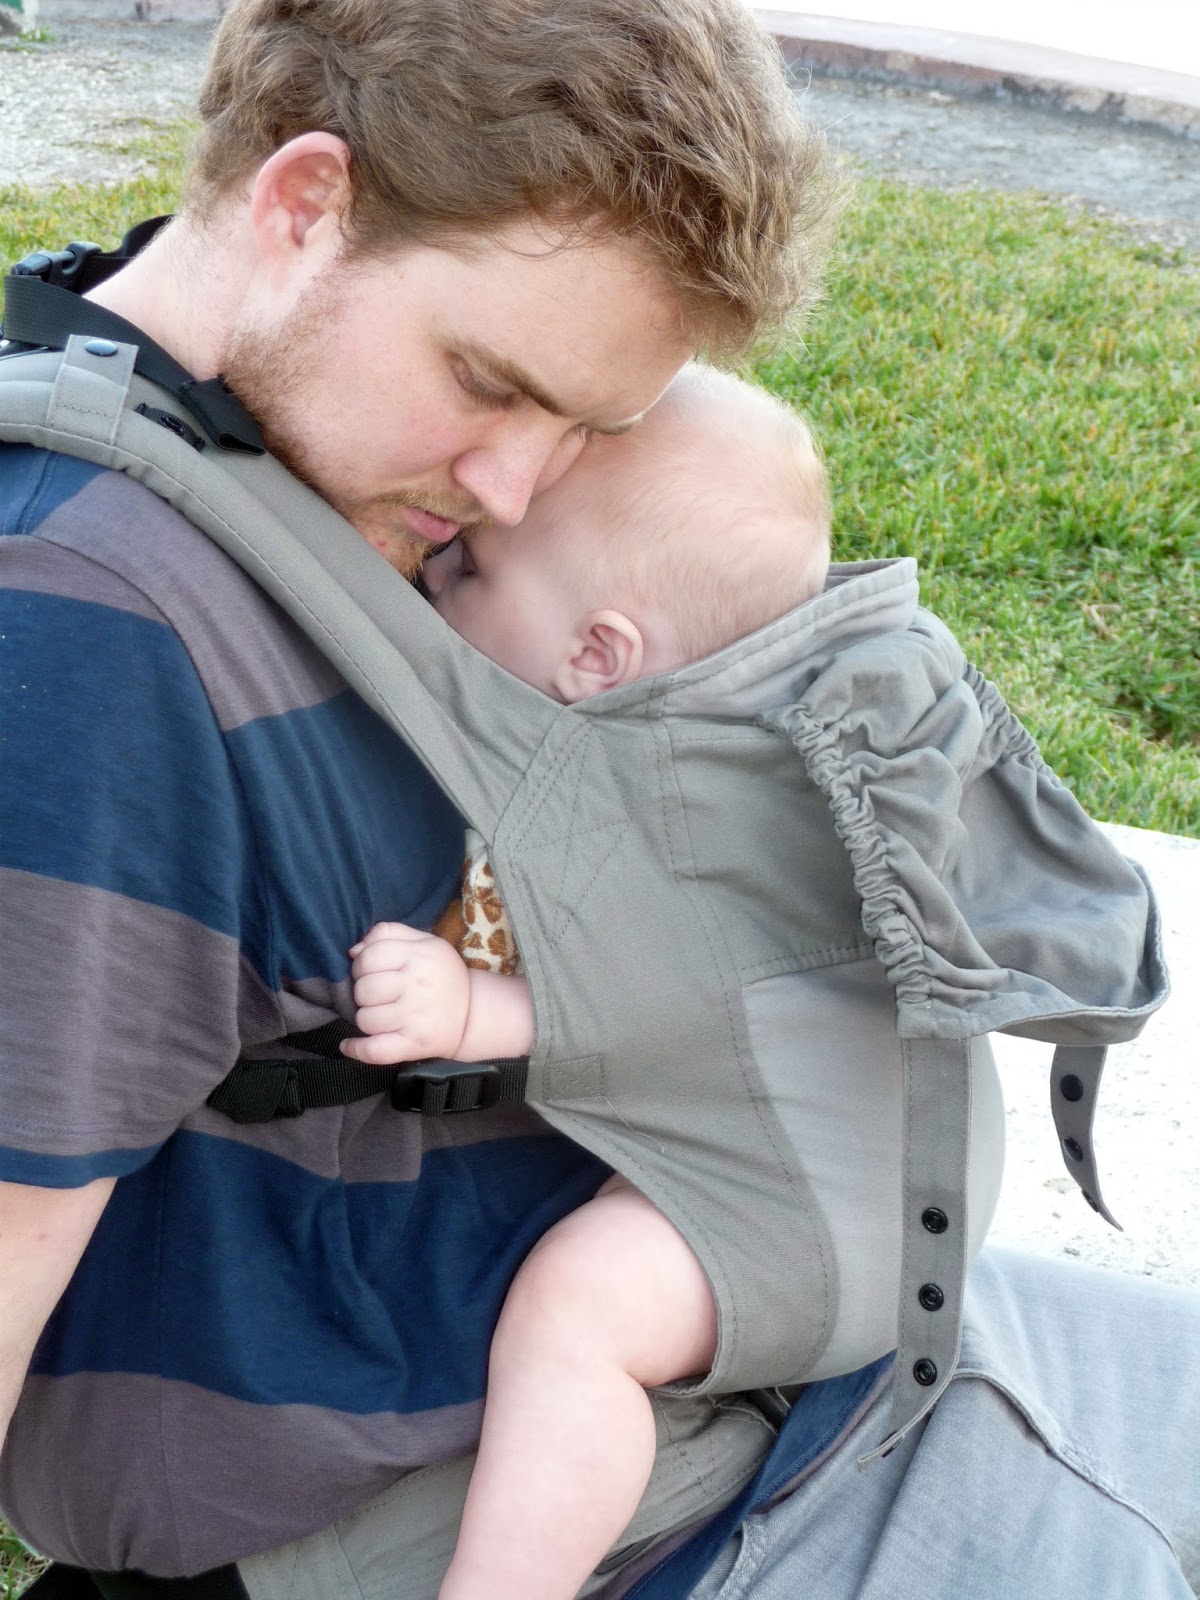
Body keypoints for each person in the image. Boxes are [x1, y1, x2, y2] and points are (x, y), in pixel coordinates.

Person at [0, 0, 847, 1587]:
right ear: (302, 206)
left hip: (720, 1400)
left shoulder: (262, 437)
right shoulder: (87, 622)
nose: (514, 491)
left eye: (584, 428)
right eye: (488, 380)